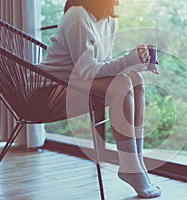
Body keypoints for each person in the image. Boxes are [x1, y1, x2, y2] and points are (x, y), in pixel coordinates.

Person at [38, 0, 161, 198]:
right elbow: (87, 71)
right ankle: (130, 167)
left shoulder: (109, 20)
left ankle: (135, 163)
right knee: (120, 84)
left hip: (74, 82)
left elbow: (102, 66)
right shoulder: (77, 16)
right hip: (48, 91)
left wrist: (137, 64)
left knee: (135, 79)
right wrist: (128, 61)